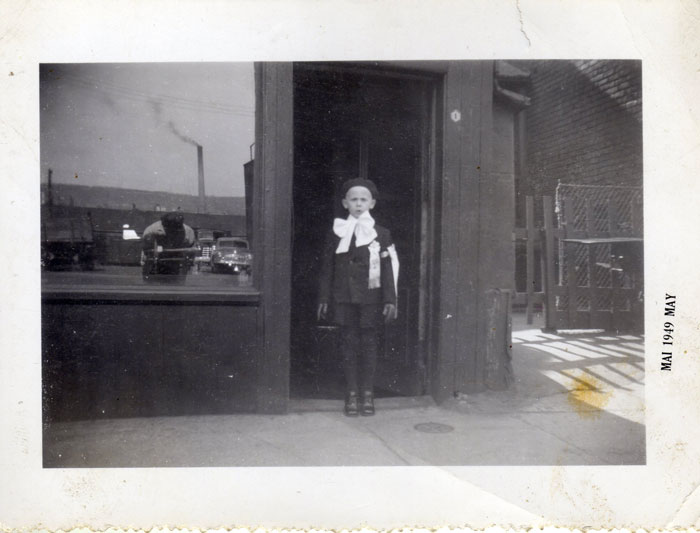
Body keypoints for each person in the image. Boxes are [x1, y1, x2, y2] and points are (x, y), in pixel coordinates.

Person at [317, 178, 399, 417]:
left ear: (372, 203)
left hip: (371, 299)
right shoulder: (337, 232)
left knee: (369, 344)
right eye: (354, 199)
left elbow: (388, 269)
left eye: (364, 199)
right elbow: (327, 267)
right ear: (345, 203)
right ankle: (351, 393)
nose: (359, 204)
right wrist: (324, 297)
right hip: (343, 298)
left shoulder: (381, 234)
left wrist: (390, 299)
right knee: (349, 343)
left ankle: (367, 393)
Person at [141, 211, 196, 276]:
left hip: (178, 266)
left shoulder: (188, 232)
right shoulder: (151, 230)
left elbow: (191, 250)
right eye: (170, 228)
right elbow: (146, 252)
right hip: (155, 266)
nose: (173, 231)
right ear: (163, 224)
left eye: (176, 228)